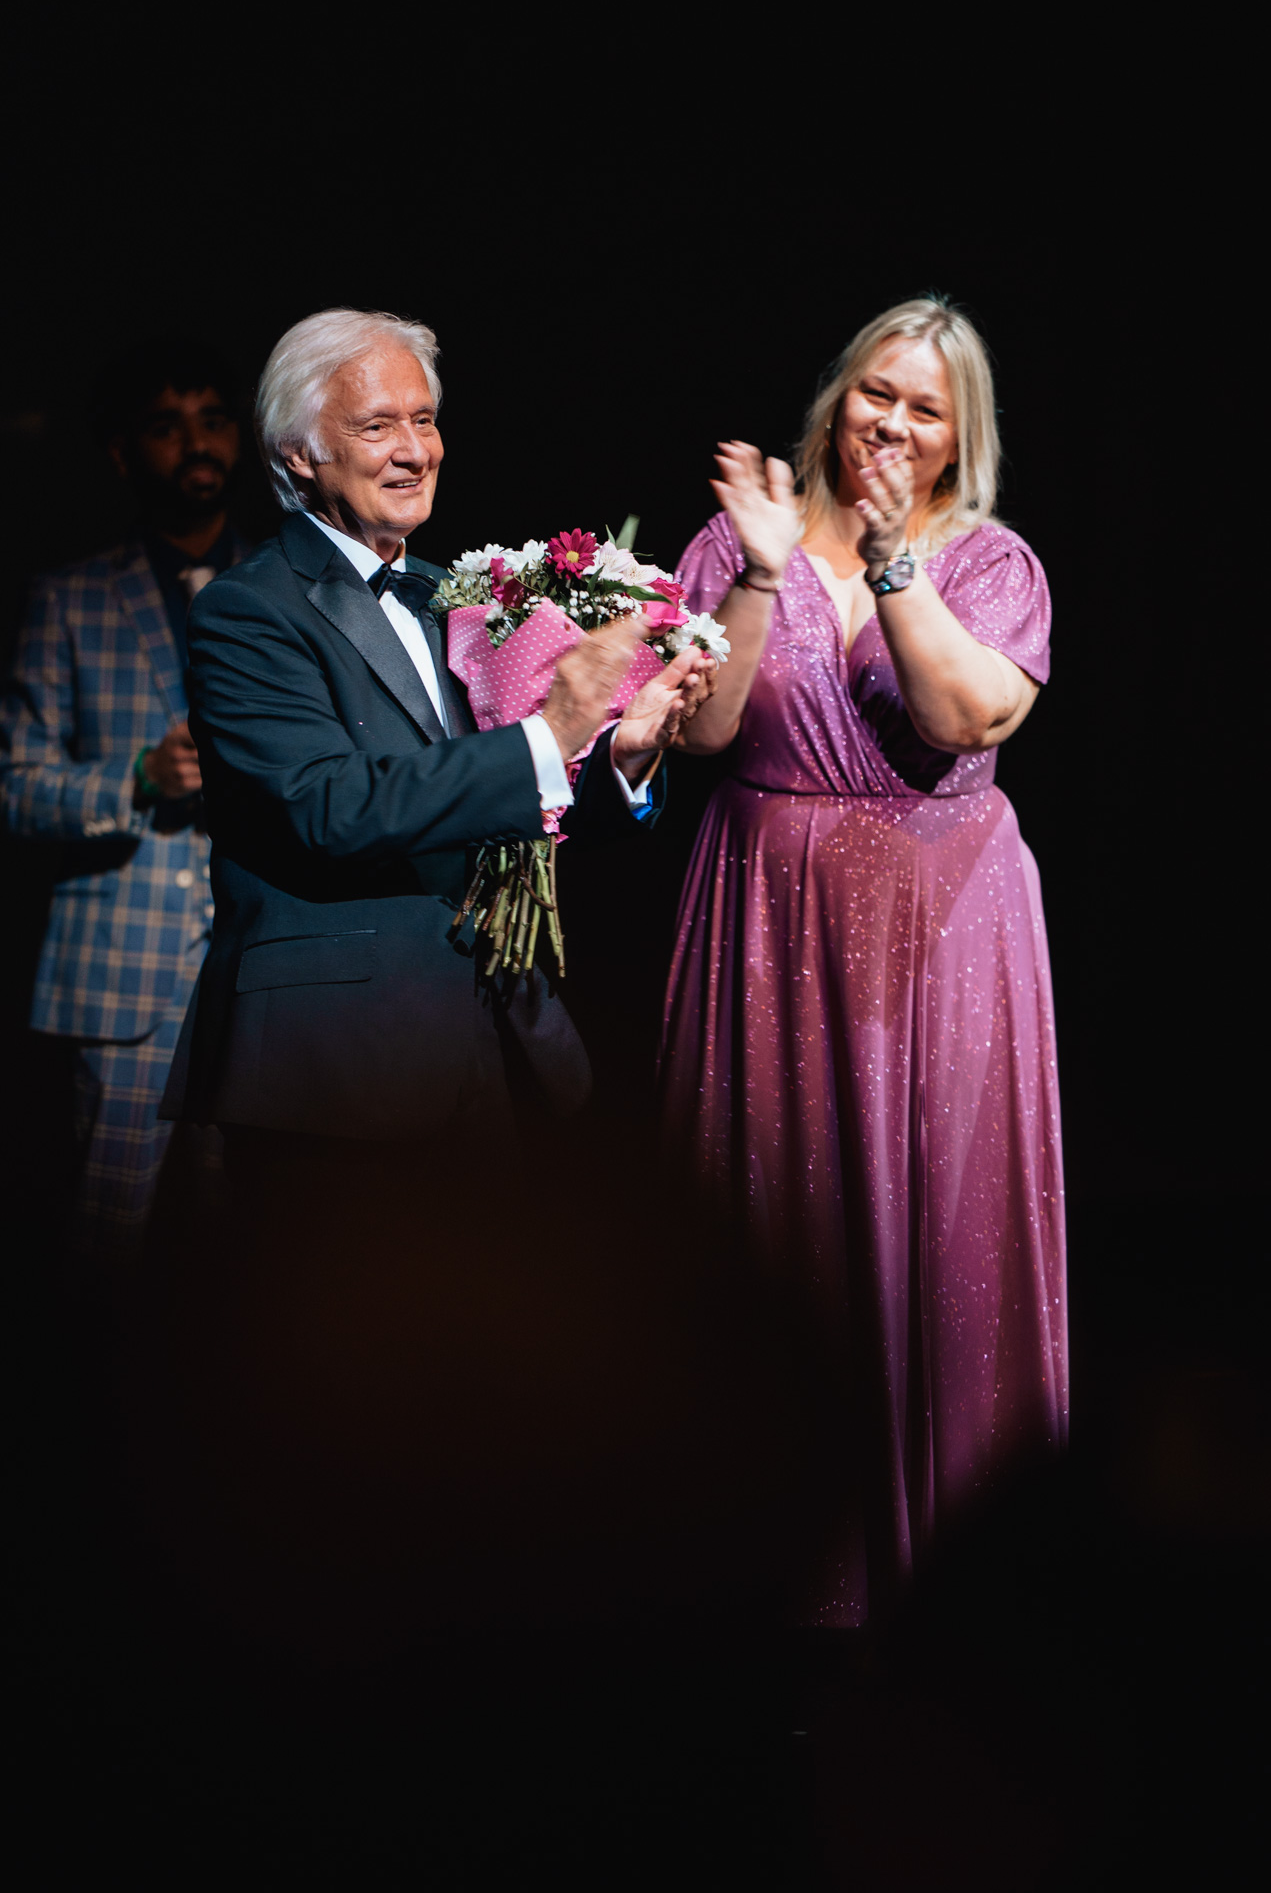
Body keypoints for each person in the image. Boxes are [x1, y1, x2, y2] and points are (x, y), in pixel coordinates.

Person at [154, 309, 714, 1641]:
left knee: (491, 1419)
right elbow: (332, 808)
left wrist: (620, 753)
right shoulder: (248, 614)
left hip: (490, 1046)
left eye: (424, 419)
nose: (414, 449)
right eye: (376, 425)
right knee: (334, 1436)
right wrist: (550, 732)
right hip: (338, 1076)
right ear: (297, 455)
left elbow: (507, 809)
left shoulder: (457, 594)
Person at [662, 297, 1068, 1627]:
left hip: (941, 930)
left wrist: (893, 563)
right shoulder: (741, 538)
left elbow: (962, 720)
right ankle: (764, 1580)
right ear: (837, 397)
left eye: (923, 407)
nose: (890, 424)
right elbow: (703, 734)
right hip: (768, 911)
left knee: (935, 1239)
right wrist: (759, 572)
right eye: (874, 393)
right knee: (772, 1224)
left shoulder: (990, 563)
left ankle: (948, 1579)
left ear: (961, 436)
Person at [0, 339, 248, 1262]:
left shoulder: (288, 587)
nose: (196, 443)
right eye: (166, 426)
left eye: (213, 420)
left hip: (258, 971)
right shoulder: (68, 599)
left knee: (247, 1262)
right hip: (120, 974)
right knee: (103, 1253)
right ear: (121, 452)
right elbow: (15, 786)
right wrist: (137, 777)